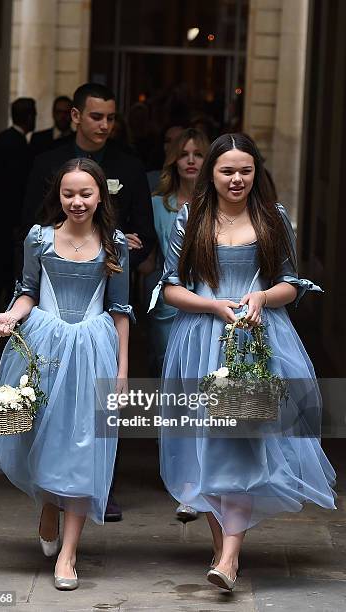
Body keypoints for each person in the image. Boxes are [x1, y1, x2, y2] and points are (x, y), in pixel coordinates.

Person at [150, 133, 336, 591]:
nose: (237, 179)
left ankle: (229, 557)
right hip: (200, 340)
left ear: (257, 172)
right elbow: (169, 287)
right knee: (206, 449)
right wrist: (211, 305)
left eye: (245, 170)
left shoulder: (273, 218)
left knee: (241, 445)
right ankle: (224, 552)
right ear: (210, 173)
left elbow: (292, 283)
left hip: (257, 340)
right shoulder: (190, 219)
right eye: (227, 170)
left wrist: (261, 297)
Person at [0, 158, 132, 590]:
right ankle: (48, 504)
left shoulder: (115, 243)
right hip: (45, 346)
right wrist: (10, 317)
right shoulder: (40, 239)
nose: (77, 202)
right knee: (43, 435)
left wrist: (122, 370)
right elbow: (27, 291)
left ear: (101, 196)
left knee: (83, 443)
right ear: (58, 196)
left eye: (86, 193)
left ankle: (69, 556)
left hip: (93, 348)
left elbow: (120, 311)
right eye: (69, 194)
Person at [21, 83, 156, 274]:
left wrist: (114, 260)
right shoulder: (47, 163)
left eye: (110, 118)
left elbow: (144, 234)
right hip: (54, 270)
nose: (105, 126)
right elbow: (31, 224)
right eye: (96, 117)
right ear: (76, 116)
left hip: (112, 275)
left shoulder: (130, 166)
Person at [150, 127, 210, 523]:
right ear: (174, 158)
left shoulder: (218, 206)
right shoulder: (159, 203)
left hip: (210, 306)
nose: (191, 159)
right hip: (170, 307)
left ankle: (201, 481)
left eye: (199, 154)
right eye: (184, 153)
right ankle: (180, 473)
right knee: (175, 392)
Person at [0, 97, 37, 324]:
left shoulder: (3, 138)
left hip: (0, 213)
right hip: (7, 215)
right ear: (30, 117)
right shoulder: (16, 144)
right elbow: (13, 186)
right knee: (1, 261)